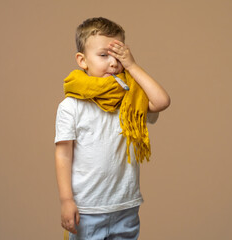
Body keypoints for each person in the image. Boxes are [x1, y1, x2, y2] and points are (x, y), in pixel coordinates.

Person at [54, 17, 170, 240]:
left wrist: (133, 66)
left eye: (118, 55)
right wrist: (66, 200)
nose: (113, 63)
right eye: (103, 55)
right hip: (87, 209)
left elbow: (161, 101)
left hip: (125, 206)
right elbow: (63, 154)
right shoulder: (71, 106)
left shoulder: (130, 98)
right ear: (82, 60)